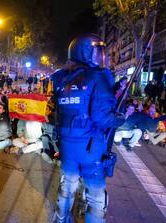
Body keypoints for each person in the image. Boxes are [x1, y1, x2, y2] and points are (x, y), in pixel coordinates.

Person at [52, 34, 125, 223]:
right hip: (91, 147)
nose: (102, 56)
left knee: (67, 187)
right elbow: (102, 118)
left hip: (67, 145)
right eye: (99, 51)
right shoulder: (98, 76)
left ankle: (61, 219)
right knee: (96, 197)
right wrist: (120, 117)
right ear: (87, 52)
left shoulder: (60, 79)